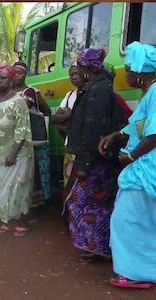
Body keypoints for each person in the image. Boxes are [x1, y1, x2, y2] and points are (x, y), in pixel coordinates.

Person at [98, 42, 156, 288]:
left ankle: (139, 274)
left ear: (141, 72)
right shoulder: (149, 93)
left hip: (145, 168)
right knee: (143, 221)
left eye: (129, 69)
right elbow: (136, 126)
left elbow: (154, 134)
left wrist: (131, 156)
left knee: (127, 219)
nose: (126, 74)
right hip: (142, 167)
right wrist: (115, 135)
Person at [64, 49, 126, 261]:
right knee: (89, 203)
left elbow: (94, 129)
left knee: (88, 203)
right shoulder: (97, 88)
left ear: (86, 68)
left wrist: (85, 164)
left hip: (97, 161)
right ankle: (96, 247)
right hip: (98, 159)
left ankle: (98, 247)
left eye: (79, 67)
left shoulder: (97, 91)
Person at [0, 64, 34, 236]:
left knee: (19, 187)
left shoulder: (18, 102)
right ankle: (6, 221)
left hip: (19, 153)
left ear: (10, 80)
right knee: (3, 188)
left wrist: (13, 153)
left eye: (3, 78)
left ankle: (22, 222)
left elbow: (22, 130)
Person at [13, 62, 51, 206]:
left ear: (25, 75)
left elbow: (45, 110)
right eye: (14, 73)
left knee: (37, 171)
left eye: (20, 73)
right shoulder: (5, 92)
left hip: (31, 138)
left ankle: (38, 203)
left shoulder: (30, 92)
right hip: (17, 139)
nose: (17, 76)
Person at [54, 64, 85, 187]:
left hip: (84, 147)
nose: (74, 77)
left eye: (77, 73)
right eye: (71, 75)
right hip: (70, 144)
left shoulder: (91, 92)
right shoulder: (69, 95)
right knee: (69, 181)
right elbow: (56, 118)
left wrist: (69, 115)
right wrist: (73, 116)